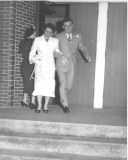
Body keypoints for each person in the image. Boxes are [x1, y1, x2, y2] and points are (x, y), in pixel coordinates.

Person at [56, 17, 91, 113]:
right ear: (63, 27)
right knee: (63, 83)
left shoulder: (77, 36)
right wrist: (60, 56)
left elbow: (82, 47)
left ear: (73, 25)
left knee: (69, 86)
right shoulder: (58, 36)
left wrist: (87, 56)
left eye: (70, 25)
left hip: (72, 64)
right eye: (65, 26)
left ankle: (64, 101)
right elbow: (54, 50)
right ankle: (65, 104)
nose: (68, 28)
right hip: (61, 64)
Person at [29, 23, 66, 113]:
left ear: (53, 33)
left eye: (50, 32)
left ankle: (45, 105)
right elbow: (32, 54)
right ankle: (39, 105)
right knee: (39, 85)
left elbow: (57, 51)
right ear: (43, 30)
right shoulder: (37, 40)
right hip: (40, 66)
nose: (48, 33)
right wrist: (36, 60)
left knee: (49, 85)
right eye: (47, 31)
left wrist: (61, 56)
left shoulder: (55, 41)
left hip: (50, 66)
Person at [19, 26, 36, 109]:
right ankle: (32, 102)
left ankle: (24, 100)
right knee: (33, 83)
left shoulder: (22, 42)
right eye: (35, 33)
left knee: (26, 82)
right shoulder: (34, 42)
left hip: (24, 65)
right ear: (32, 34)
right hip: (31, 64)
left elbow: (21, 53)